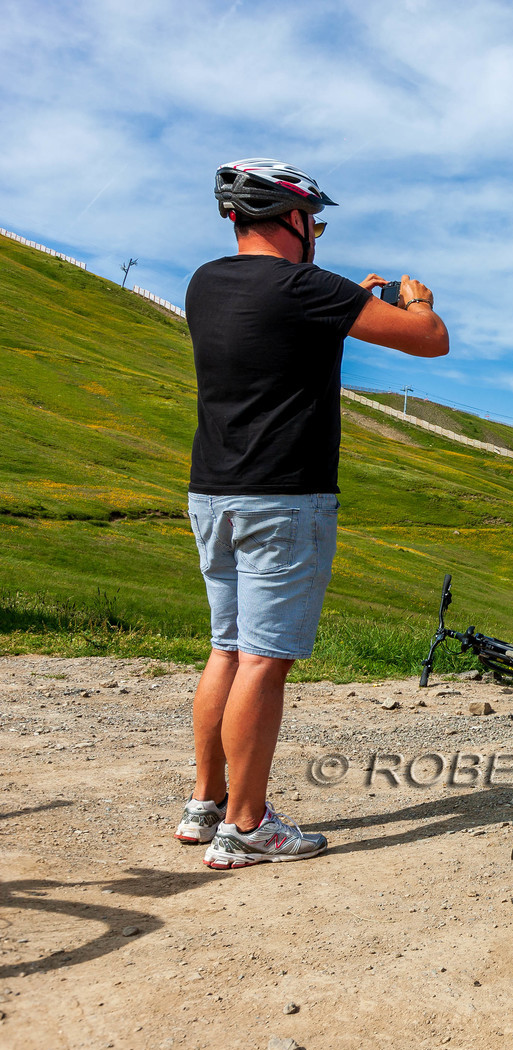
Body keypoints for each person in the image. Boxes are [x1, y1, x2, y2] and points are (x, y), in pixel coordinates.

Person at [179, 159, 449, 868]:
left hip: (213, 491)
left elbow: (280, 326)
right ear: (293, 218)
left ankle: (205, 804)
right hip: (284, 497)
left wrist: (342, 300)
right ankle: (247, 825)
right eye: (316, 224)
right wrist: (417, 302)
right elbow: (430, 338)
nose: (317, 236)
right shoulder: (310, 288)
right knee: (263, 661)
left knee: (226, 649)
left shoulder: (205, 283)